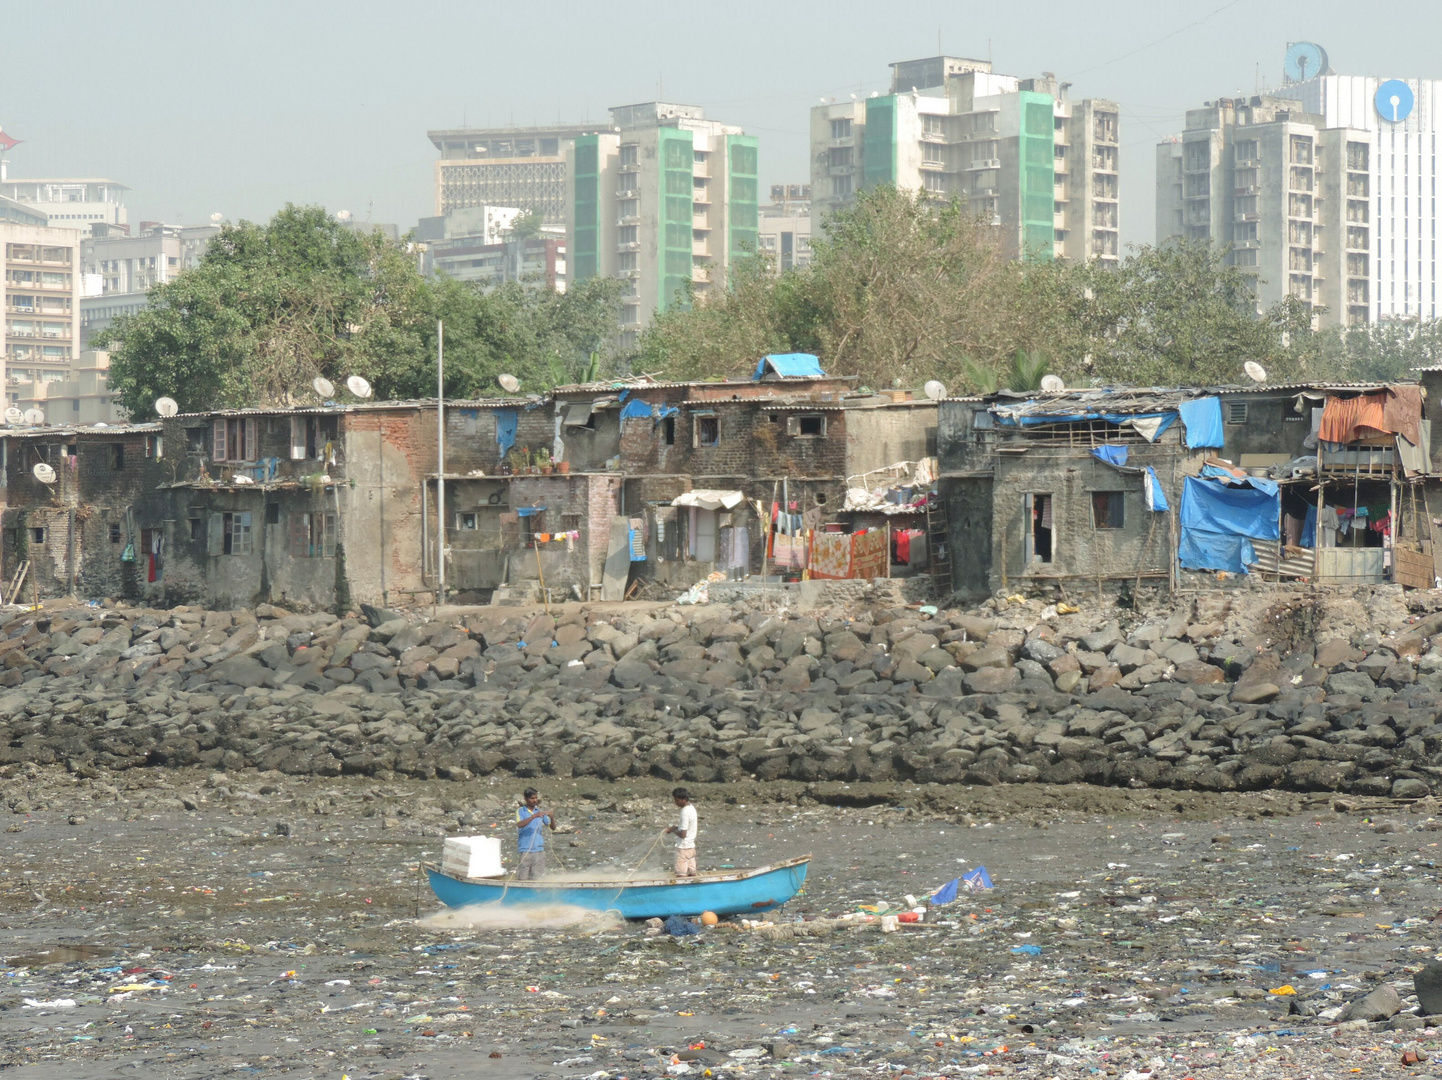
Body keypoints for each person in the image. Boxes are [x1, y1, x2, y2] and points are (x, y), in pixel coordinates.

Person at [515, 788, 553, 880]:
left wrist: (552, 817)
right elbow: (519, 824)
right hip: (525, 849)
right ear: (526, 799)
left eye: (536, 798)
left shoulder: (539, 811)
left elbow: (552, 827)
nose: (534, 800)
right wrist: (532, 817)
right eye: (532, 798)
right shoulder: (520, 811)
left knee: (537, 878)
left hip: (538, 849)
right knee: (523, 878)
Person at [665, 788, 698, 877]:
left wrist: (672, 830)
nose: (675, 802)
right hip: (691, 848)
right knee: (692, 874)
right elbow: (687, 827)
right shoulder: (691, 808)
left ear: (684, 799)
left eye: (677, 800)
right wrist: (675, 827)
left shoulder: (684, 812)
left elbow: (683, 834)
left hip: (683, 848)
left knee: (681, 875)